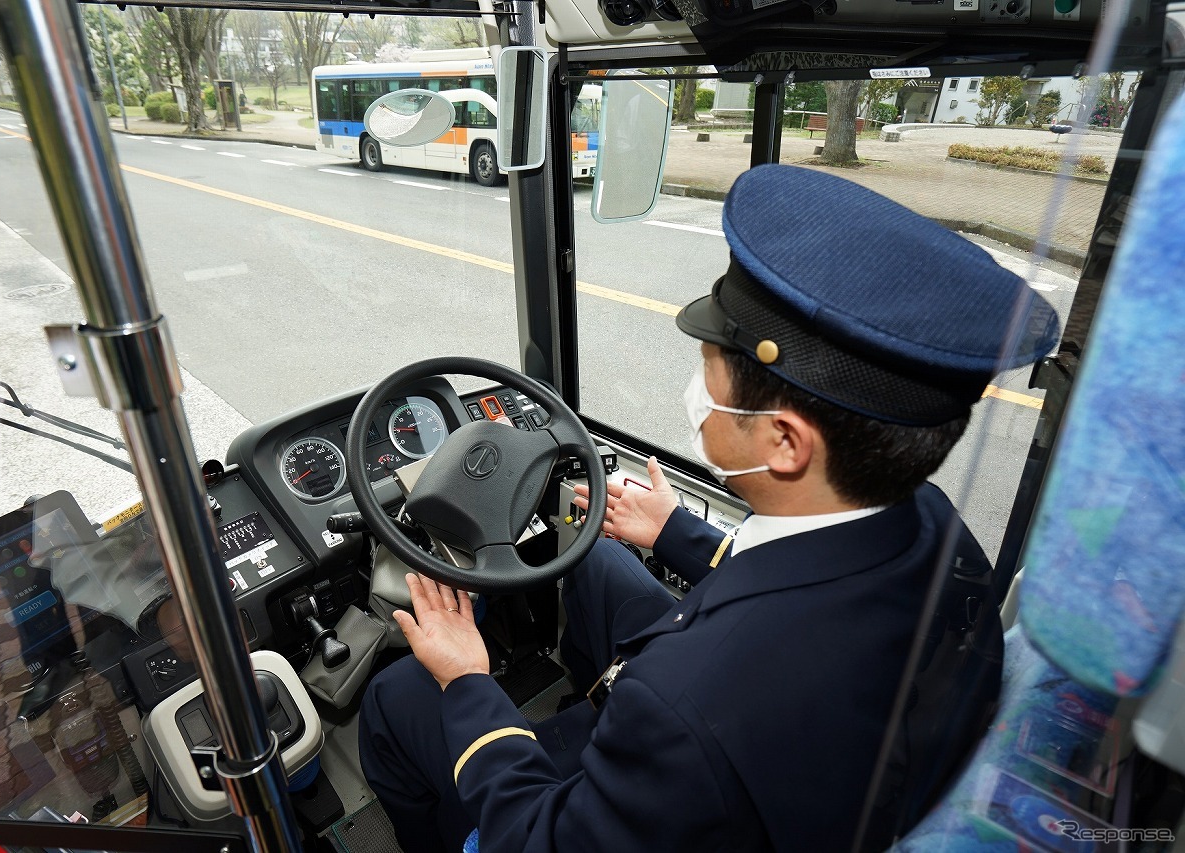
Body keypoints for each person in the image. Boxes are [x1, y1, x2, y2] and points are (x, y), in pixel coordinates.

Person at [358, 164, 1060, 852]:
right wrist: (674, 532)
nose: (698, 388)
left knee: (398, 696)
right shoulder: (939, 528)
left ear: (785, 441)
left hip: (655, 773)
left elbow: (540, 836)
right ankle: (584, 699)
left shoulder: (682, 708)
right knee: (598, 557)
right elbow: (818, 585)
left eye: (709, 369)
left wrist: (469, 679)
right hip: (822, 752)